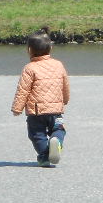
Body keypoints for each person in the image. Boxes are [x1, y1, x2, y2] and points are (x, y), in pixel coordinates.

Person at [11, 32, 70, 168]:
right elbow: (65, 84)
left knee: (37, 134)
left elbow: (23, 90)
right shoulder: (58, 65)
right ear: (51, 48)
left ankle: (44, 157)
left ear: (29, 50)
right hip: (56, 109)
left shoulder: (29, 68)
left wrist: (17, 108)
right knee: (59, 129)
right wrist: (65, 99)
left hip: (36, 112)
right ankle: (56, 142)